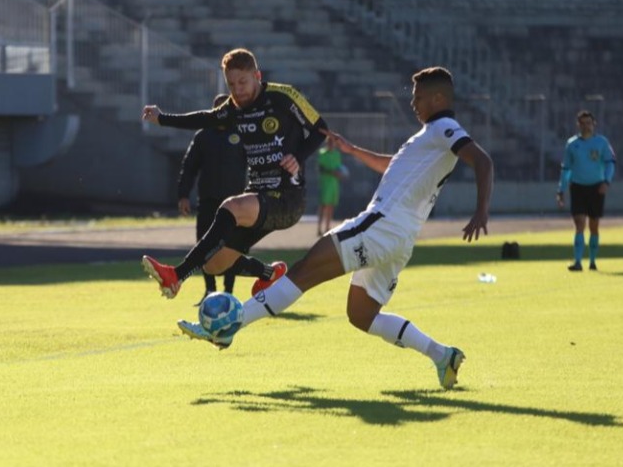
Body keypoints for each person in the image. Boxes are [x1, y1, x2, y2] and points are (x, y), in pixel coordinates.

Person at [177, 67, 494, 391]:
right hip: (400, 238)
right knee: (361, 314)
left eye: (419, 97)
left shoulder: (445, 128)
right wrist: (353, 150)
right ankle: (443, 355)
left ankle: (229, 324)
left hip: (381, 227)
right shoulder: (428, 136)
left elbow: (482, 161)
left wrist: (481, 210)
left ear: (438, 98)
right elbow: (394, 165)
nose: (413, 103)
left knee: (304, 271)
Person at [141, 48, 328, 300]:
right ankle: (269, 273)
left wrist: (298, 157)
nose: (237, 89)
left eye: (243, 82)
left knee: (231, 206)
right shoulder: (233, 108)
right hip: (258, 194)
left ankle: (177, 275)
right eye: (231, 84)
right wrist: (162, 118)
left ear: (257, 76)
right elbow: (204, 119)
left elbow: (321, 129)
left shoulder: (283, 96)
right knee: (213, 264)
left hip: (287, 197)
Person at [177, 93, 250, 305]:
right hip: (208, 201)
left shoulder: (242, 135)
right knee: (204, 245)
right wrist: (183, 194)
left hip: (235, 205)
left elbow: (256, 164)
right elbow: (189, 167)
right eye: (217, 111)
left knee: (232, 245)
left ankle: (228, 291)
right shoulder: (202, 137)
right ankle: (210, 290)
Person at [555, 110, 615, 271]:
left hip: (596, 187)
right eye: (582, 123)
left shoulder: (601, 142)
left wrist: (606, 182)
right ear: (578, 125)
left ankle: (593, 261)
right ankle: (578, 262)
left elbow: (610, 163)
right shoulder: (572, 144)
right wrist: (561, 189)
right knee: (579, 223)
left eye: (588, 123)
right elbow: (566, 168)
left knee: (594, 226)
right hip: (578, 187)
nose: (586, 126)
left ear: (593, 124)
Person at [316, 135, 346, 236]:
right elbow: (321, 169)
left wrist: (340, 174)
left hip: (334, 183)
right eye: (329, 142)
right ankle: (319, 228)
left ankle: (327, 228)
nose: (331, 144)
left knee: (331, 206)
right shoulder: (322, 153)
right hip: (325, 183)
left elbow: (339, 168)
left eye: (333, 143)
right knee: (323, 206)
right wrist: (332, 172)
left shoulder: (337, 155)